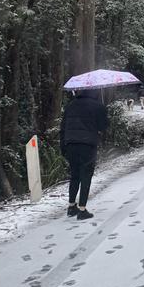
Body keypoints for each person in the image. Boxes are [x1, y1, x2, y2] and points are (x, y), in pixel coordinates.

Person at [59, 89, 108, 220]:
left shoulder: (70, 105)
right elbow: (103, 127)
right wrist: (103, 110)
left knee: (74, 174)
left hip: (70, 144)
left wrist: (62, 147)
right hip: (87, 144)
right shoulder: (97, 106)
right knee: (86, 175)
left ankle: (71, 207)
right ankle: (82, 209)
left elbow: (63, 127)